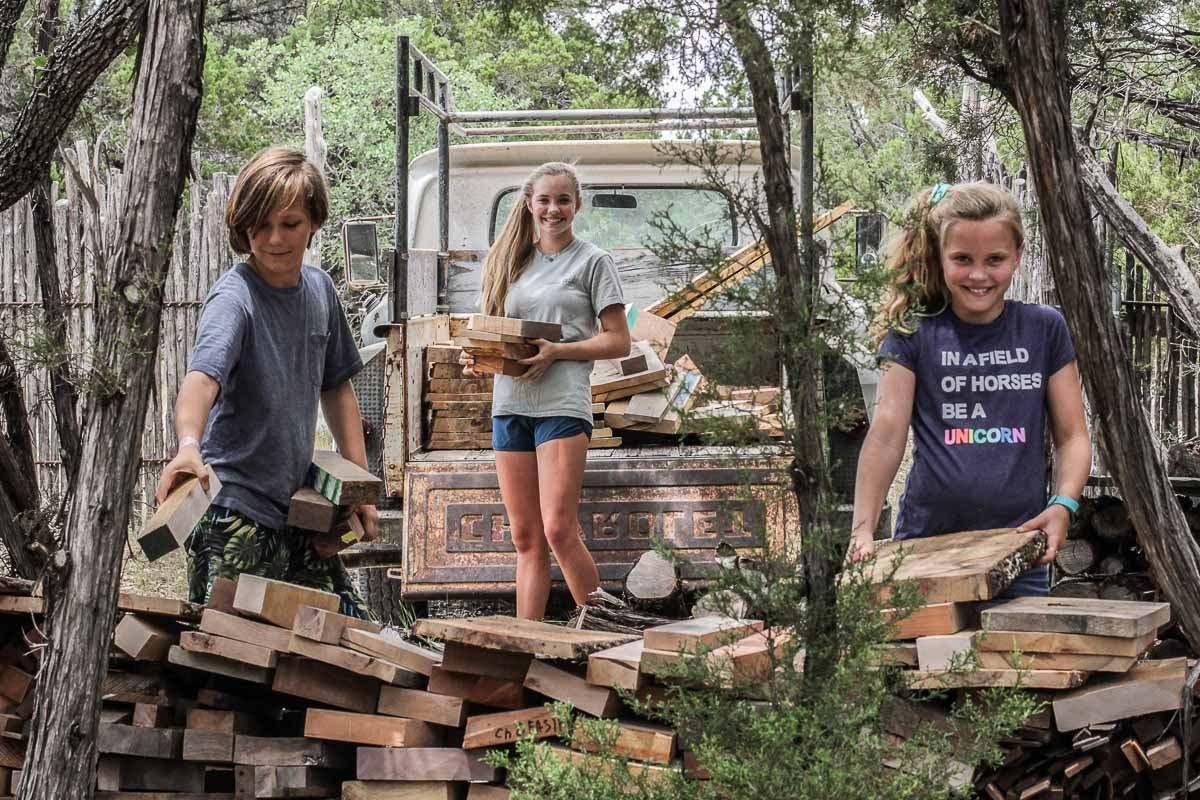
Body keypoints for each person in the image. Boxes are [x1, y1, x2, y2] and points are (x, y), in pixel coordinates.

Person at [155, 146, 379, 617]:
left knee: (346, 642)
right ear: (243, 228)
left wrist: (359, 490)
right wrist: (189, 444)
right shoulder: (234, 300)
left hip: (299, 512)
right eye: (260, 225)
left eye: (290, 224)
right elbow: (201, 380)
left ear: (314, 222)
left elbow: (336, 388)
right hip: (233, 514)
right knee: (228, 662)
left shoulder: (320, 290)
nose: (274, 239)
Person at [848, 181, 1091, 597]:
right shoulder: (912, 332)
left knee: (1016, 662)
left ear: (1017, 256)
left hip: (1018, 550)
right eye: (962, 259)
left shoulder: (1045, 329)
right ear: (939, 257)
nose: (979, 275)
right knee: (928, 662)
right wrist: (862, 530)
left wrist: (1063, 504)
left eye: (994, 259)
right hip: (925, 548)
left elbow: (1073, 436)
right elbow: (887, 434)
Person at [461, 162, 631, 619]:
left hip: (561, 404)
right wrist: (478, 357)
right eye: (545, 200)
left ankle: (601, 636)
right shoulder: (509, 260)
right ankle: (526, 649)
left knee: (559, 530)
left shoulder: (594, 261)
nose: (553, 209)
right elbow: (494, 332)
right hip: (510, 405)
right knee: (525, 537)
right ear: (530, 204)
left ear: (577, 205)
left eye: (563, 200)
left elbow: (618, 339)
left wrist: (557, 351)